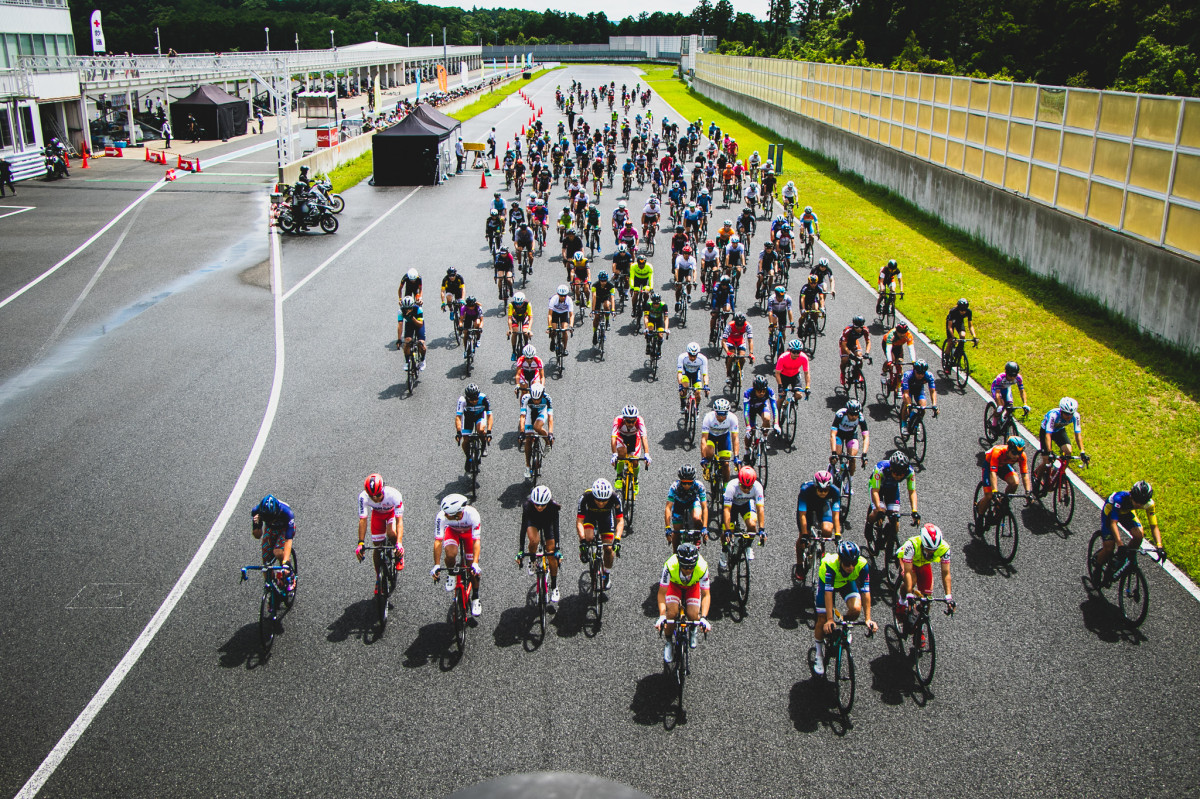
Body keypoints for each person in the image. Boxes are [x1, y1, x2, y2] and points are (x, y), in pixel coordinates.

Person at [812, 540, 877, 676]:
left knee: (856, 610)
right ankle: (818, 654)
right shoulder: (830, 565)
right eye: (847, 564)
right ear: (840, 560)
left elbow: (866, 592)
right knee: (822, 619)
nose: (851, 567)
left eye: (853, 563)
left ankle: (844, 625)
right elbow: (828, 594)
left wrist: (868, 619)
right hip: (827, 583)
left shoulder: (862, 565)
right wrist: (830, 619)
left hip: (846, 582)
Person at [1092, 481, 1164, 580]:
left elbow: (1154, 526)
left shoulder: (1149, 504)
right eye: (1137, 501)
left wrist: (1159, 546)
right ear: (1131, 496)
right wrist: (1120, 544)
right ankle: (1098, 568)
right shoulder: (1119, 498)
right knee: (1109, 547)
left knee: (1139, 535)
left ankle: (1124, 558)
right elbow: (1113, 523)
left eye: (1142, 502)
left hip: (1126, 513)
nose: (1139, 505)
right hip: (1111, 513)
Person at [655, 543, 712, 663]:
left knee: (693, 614)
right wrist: (661, 616)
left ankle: (692, 629)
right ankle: (669, 641)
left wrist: (704, 617)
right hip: (674, 585)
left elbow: (706, 594)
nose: (688, 570)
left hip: (693, 587)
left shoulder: (702, 566)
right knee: (671, 613)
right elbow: (661, 593)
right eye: (685, 567)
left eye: (691, 566)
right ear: (679, 563)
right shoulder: (670, 565)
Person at [895, 523, 954, 631]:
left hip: (923, 564)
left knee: (927, 597)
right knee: (911, 581)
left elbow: (946, 573)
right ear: (923, 544)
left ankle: (919, 626)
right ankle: (901, 602)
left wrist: (948, 597)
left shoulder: (944, 548)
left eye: (934, 551)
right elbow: (907, 571)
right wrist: (909, 594)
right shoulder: (911, 545)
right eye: (928, 550)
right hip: (908, 562)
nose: (931, 553)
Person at [432, 494, 483, 617]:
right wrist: (436, 565)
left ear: (458, 513)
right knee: (450, 554)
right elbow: (438, 541)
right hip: (453, 531)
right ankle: (451, 574)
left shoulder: (473, 514)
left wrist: (475, 563)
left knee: (472, 569)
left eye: (448, 515)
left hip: (469, 534)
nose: (445, 515)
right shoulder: (441, 516)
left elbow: (476, 540)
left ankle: (475, 597)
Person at [355, 475, 405, 585]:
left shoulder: (394, 495)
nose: (375, 499)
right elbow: (363, 520)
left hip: (391, 514)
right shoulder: (363, 497)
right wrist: (360, 543)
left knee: (391, 532)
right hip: (377, 515)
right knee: (377, 547)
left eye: (378, 495)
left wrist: (399, 543)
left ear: (383, 489)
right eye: (371, 496)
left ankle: (398, 557)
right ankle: (378, 577)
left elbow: (399, 521)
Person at [576, 478, 625, 588]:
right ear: (593, 496)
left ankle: (606, 574)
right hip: (590, 516)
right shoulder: (585, 497)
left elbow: (620, 521)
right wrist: (582, 541)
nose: (601, 503)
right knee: (588, 538)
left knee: (608, 549)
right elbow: (579, 522)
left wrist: (617, 539)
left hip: (606, 518)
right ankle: (586, 551)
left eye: (604, 500)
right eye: (598, 500)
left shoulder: (615, 498)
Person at [517, 485, 562, 604]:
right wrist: (521, 550)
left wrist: (557, 548)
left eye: (542, 505)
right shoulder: (527, 506)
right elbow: (523, 529)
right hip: (534, 522)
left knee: (551, 554)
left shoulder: (553, 507)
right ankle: (532, 561)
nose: (539, 507)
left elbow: (556, 528)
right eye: (537, 504)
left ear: (548, 502)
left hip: (548, 524)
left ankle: (554, 586)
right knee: (533, 540)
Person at [793, 471, 842, 580]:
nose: (823, 493)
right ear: (815, 486)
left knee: (828, 530)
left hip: (823, 506)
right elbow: (802, 515)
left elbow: (836, 515)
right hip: (808, 507)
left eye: (825, 490)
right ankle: (799, 565)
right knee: (802, 536)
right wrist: (805, 534)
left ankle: (821, 544)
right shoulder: (805, 490)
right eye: (820, 490)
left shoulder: (835, 491)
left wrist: (838, 534)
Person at [1034, 397, 1088, 486]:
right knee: (1047, 459)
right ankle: (1037, 479)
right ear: (1061, 411)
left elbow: (1078, 435)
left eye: (1071, 414)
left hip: (1059, 431)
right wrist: (1050, 451)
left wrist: (1082, 451)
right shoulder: (1053, 415)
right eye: (1066, 414)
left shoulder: (1076, 416)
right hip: (1046, 432)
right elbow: (1048, 435)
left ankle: (1061, 473)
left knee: (1068, 451)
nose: (1069, 416)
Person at [720, 466, 765, 569]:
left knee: (752, 526)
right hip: (732, 506)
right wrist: (727, 530)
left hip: (746, 504)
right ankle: (724, 551)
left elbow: (760, 509)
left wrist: (762, 529)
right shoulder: (731, 486)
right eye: (743, 486)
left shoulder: (757, 487)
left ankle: (748, 545)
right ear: (739, 481)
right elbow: (727, 510)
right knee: (727, 531)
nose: (746, 489)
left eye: (749, 487)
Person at [976, 436, 1032, 519]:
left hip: (1003, 465)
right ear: (1008, 449)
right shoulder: (997, 451)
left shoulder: (1022, 456)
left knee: (1015, 482)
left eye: (1019, 453)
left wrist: (1028, 492)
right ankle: (980, 515)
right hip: (990, 466)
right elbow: (993, 473)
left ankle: (1002, 503)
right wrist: (995, 491)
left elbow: (1024, 474)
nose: (1017, 456)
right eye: (1014, 453)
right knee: (989, 496)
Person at [864, 452, 919, 537]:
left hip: (892, 488)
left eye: (902, 474)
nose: (899, 477)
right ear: (891, 469)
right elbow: (875, 491)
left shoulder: (910, 472)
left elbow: (912, 491)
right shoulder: (881, 468)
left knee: (895, 520)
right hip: (877, 488)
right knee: (878, 511)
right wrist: (878, 510)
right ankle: (869, 523)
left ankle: (890, 538)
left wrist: (914, 511)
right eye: (896, 473)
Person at [251, 494, 297, 593]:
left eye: (272, 518)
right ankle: (273, 589)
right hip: (270, 529)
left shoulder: (287, 513)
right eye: (267, 520)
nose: (271, 521)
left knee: (278, 552)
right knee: (266, 565)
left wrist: (286, 561)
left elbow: (288, 539)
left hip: (284, 528)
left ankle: (288, 574)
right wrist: (257, 524)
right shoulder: (256, 511)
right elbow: (257, 535)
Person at [664, 464, 708, 549]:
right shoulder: (674, 487)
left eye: (690, 483)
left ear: (693, 480)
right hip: (679, 504)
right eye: (684, 482)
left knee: (697, 518)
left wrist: (704, 527)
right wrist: (668, 527)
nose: (687, 485)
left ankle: (697, 537)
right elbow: (668, 508)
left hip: (693, 502)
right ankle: (675, 554)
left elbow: (704, 507)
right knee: (676, 532)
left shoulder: (699, 486)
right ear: (680, 480)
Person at [611, 405, 652, 494]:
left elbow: (644, 438)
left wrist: (647, 454)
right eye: (628, 421)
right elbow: (613, 438)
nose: (631, 424)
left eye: (633, 421)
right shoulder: (617, 420)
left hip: (634, 438)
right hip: (621, 437)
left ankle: (635, 480)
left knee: (635, 460)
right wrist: (614, 454)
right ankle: (619, 476)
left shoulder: (640, 421)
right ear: (624, 419)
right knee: (621, 453)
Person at [700, 398, 739, 487]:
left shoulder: (732, 418)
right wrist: (703, 458)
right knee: (709, 453)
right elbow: (703, 439)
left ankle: (725, 486)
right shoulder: (708, 418)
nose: (721, 418)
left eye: (723, 415)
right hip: (711, 436)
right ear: (715, 412)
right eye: (719, 415)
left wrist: (736, 456)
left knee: (725, 464)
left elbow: (735, 437)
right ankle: (708, 466)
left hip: (724, 437)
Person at [519, 382, 554, 479]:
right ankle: (527, 466)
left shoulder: (547, 398)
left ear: (542, 395)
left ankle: (547, 442)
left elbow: (550, 418)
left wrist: (550, 433)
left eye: (538, 399)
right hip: (530, 412)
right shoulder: (526, 398)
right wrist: (522, 432)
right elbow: (522, 416)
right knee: (528, 439)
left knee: (537, 427)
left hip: (542, 411)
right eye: (534, 399)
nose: (536, 402)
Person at [454, 382, 493, 467]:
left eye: (476, 399)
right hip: (468, 418)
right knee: (466, 440)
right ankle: (468, 457)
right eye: (471, 400)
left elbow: (490, 415)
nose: (474, 401)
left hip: (480, 415)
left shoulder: (484, 398)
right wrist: (458, 432)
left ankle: (483, 445)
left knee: (481, 430)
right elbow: (458, 417)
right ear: (467, 397)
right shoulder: (462, 400)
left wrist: (489, 431)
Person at [830, 399, 869, 476]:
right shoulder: (840, 414)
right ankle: (832, 467)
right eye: (851, 414)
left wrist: (864, 454)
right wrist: (833, 453)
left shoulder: (861, 418)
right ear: (847, 412)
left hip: (851, 435)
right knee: (837, 454)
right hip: (839, 434)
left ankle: (850, 481)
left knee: (852, 458)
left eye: (856, 414)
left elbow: (866, 437)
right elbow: (833, 435)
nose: (853, 417)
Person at [899, 359, 938, 433]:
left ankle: (918, 421)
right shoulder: (908, 375)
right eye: (919, 373)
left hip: (918, 390)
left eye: (923, 373)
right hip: (907, 390)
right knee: (907, 405)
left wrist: (934, 405)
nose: (921, 375)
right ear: (914, 370)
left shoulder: (929, 376)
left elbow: (932, 391)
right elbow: (906, 393)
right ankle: (903, 424)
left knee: (923, 408)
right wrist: (909, 405)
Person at [989, 361, 1030, 427]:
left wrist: (1025, 404)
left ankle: (1005, 419)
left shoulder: (1019, 378)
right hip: (996, 389)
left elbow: (1022, 391)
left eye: (1014, 375)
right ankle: (994, 421)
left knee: (1010, 407)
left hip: (1006, 389)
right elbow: (997, 393)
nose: (1012, 378)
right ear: (1006, 372)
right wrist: (999, 405)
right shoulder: (1000, 378)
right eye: (1010, 375)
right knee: (1001, 405)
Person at [742, 375, 778, 449]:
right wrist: (748, 426)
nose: (761, 393)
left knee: (767, 419)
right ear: (754, 389)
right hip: (751, 409)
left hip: (762, 406)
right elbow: (746, 411)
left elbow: (774, 408)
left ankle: (764, 438)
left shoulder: (770, 391)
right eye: (759, 391)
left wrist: (776, 423)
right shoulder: (748, 393)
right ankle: (747, 452)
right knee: (751, 432)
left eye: (763, 391)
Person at [774, 338, 811, 403]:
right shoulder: (782, 358)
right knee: (781, 398)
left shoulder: (804, 357)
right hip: (784, 376)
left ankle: (790, 402)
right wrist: (780, 386)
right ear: (790, 351)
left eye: (798, 352)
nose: (796, 354)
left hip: (795, 376)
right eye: (794, 352)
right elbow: (777, 373)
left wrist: (807, 387)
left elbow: (806, 373)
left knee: (798, 395)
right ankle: (777, 412)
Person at [838, 315, 871, 388]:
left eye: (861, 327)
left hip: (854, 342)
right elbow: (844, 345)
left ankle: (858, 372)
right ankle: (842, 373)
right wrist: (850, 354)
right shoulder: (848, 330)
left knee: (860, 357)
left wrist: (867, 353)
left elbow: (868, 342)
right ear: (853, 325)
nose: (859, 329)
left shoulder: (865, 330)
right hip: (845, 344)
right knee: (845, 359)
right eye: (856, 327)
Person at [677, 341, 710, 412]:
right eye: (691, 355)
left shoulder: (703, 359)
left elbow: (705, 375)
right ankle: (683, 405)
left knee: (698, 393)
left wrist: (706, 385)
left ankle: (696, 408)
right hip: (685, 373)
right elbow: (679, 373)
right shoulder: (682, 357)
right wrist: (680, 385)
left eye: (694, 356)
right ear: (688, 353)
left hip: (696, 374)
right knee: (684, 388)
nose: (692, 358)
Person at [721, 312, 754, 381]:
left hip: (740, 340)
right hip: (731, 340)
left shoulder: (748, 326)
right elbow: (723, 341)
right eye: (737, 325)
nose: (739, 327)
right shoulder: (729, 326)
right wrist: (728, 352)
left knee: (742, 357)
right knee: (731, 356)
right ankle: (728, 374)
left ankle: (740, 369)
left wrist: (751, 353)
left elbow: (750, 340)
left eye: (741, 325)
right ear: (734, 322)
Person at [881, 321, 914, 388]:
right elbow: (888, 349)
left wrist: (913, 361)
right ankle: (884, 373)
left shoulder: (908, 335)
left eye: (904, 333)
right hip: (888, 345)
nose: (902, 335)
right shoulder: (891, 335)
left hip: (898, 346)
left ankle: (898, 387)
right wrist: (890, 361)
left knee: (900, 363)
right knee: (892, 359)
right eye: (900, 333)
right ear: (896, 331)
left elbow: (911, 349)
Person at [398, 296, 426, 371]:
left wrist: (412, 317)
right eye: (406, 308)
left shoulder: (418, 309)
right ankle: (407, 361)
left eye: (409, 308)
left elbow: (420, 324)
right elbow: (400, 325)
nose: (408, 310)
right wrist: (399, 339)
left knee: (421, 344)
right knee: (407, 342)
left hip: (418, 323)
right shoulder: (400, 311)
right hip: (409, 324)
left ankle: (422, 360)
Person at [642, 291, 670, 356]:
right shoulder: (648, 305)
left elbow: (666, 318)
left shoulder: (664, 306)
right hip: (651, 320)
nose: (655, 305)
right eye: (654, 303)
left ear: (659, 302)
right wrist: (646, 328)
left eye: (657, 303)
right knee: (650, 330)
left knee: (660, 335)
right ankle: (648, 344)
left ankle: (659, 348)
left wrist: (666, 329)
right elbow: (646, 317)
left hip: (659, 320)